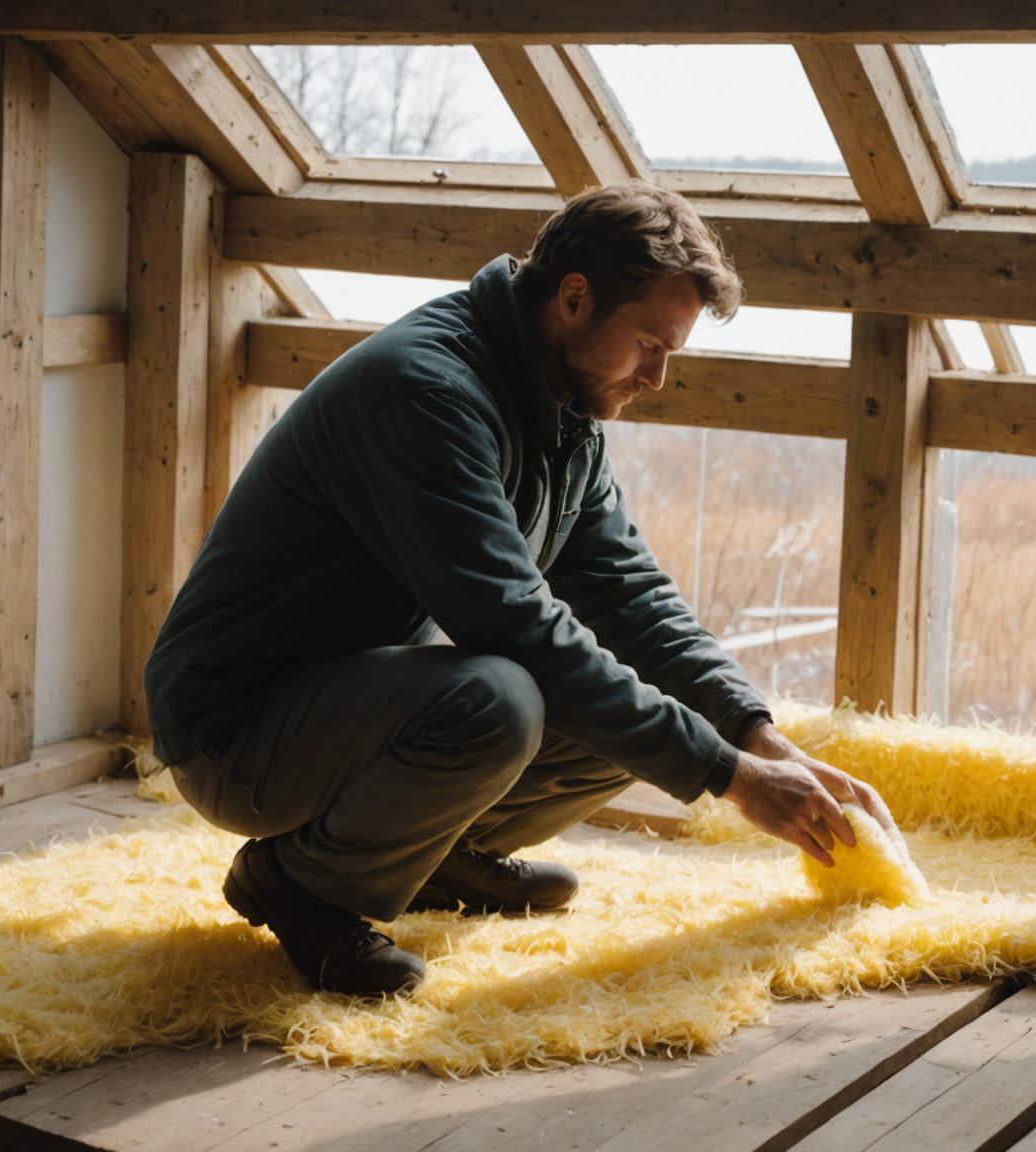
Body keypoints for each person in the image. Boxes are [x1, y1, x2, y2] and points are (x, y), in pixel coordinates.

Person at [144, 182, 893, 998]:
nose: (658, 377)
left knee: (640, 696)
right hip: (236, 732)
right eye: (649, 343)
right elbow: (515, 627)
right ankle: (301, 883)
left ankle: (431, 856)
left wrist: (754, 737)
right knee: (501, 696)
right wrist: (731, 778)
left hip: (350, 705)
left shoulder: (566, 408)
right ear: (575, 299)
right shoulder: (426, 394)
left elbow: (629, 593)